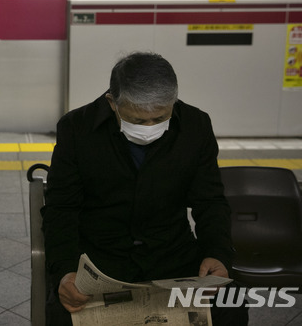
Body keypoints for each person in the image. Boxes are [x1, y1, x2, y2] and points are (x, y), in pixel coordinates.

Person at [42, 52, 248, 325]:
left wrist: (217, 253)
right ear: (112, 103)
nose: (150, 127)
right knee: (63, 314)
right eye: (138, 121)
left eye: (161, 118)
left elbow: (209, 200)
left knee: (229, 305)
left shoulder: (195, 126)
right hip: (101, 258)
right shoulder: (76, 129)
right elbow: (61, 208)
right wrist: (65, 271)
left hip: (172, 255)